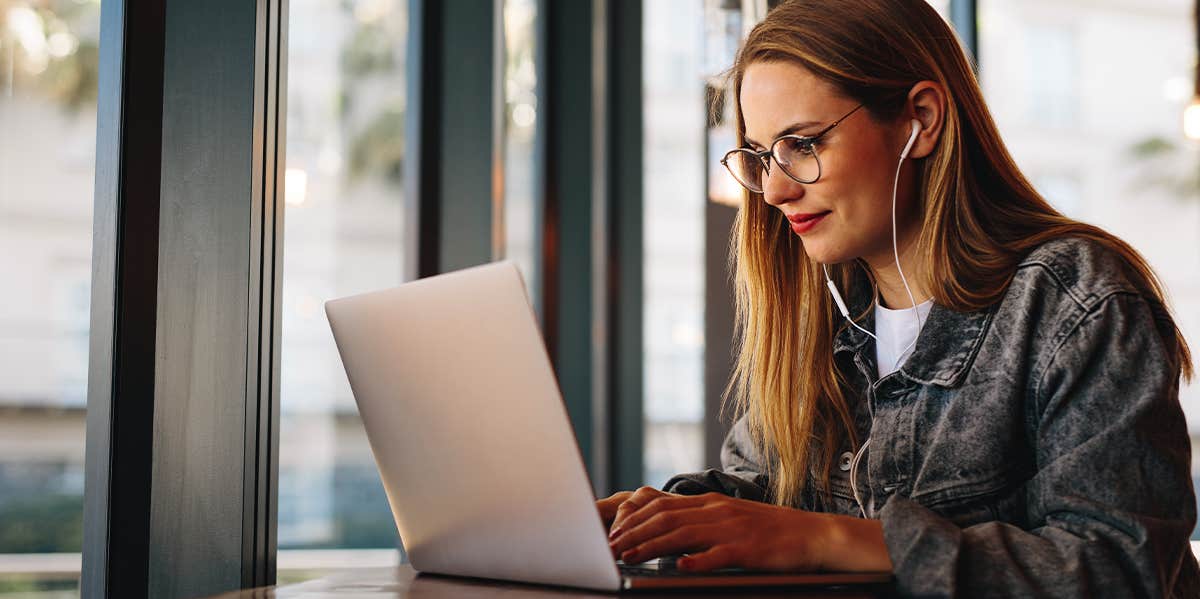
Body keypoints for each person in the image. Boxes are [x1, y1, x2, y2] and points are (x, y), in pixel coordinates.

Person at [598, 0, 1200, 596]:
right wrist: (659, 518)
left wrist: (826, 540)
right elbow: (767, 490)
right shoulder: (819, 315)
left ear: (922, 119)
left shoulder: (1074, 298)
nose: (775, 190)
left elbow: (1120, 569)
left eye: (803, 145)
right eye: (760, 157)